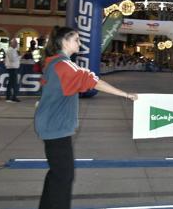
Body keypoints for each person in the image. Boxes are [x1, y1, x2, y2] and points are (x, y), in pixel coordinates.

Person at [34, 26, 138, 209]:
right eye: (76, 40)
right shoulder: (63, 65)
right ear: (65, 42)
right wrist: (125, 94)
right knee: (64, 177)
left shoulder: (55, 62)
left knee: (57, 174)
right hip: (55, 128)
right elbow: (94, 81)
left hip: (51, 125)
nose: (79, 43)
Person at [4, 38, 21, 102]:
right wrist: (20, 56)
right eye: (15, 43)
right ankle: (12, 97)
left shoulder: (14, 50)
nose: (17, 44)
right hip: (12, 68)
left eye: (17, 43)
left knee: (11, 83)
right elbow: (13, 60)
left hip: (13, 68)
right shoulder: (10, 50)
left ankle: (10, 97)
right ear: (11, 43)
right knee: (13, 83)